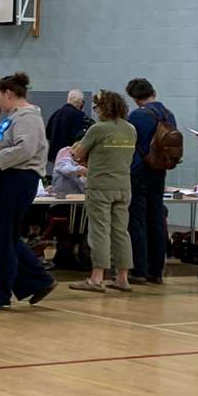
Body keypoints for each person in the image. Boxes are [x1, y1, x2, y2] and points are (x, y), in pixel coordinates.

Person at [0, 72, 55, 311]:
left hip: (12, 180)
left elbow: (25, 149)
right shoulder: (11, 117)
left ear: (9, 93)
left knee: (0, 238)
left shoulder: (28, 117)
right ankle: (36, 281)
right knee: (0, 237)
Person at [66, 89, 137, 293]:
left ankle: (97, 278)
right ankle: (122, 277)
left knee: (99, 232)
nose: (95, 111)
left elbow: (78, 154)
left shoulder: (98, 129)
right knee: (121, 232)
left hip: (100, 186)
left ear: (104, 107)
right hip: (123, 186)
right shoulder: (130, 129)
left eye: (97, 107)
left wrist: (76, 147)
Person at [125, 78, 178, 283]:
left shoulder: (137, 115)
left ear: (135, 97)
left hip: (139, 170)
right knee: (157, 218)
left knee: (137, 220)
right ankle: (156, 270)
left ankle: (139, 269)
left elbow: (130, 143)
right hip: (160, 170)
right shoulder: (168, 114)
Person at [46, 89, 91, 168]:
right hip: (71, 157)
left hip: (55, 157)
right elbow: (81, 138)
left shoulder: (55, 114)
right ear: (79, 101)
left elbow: (47, 135)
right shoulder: (79, 116)